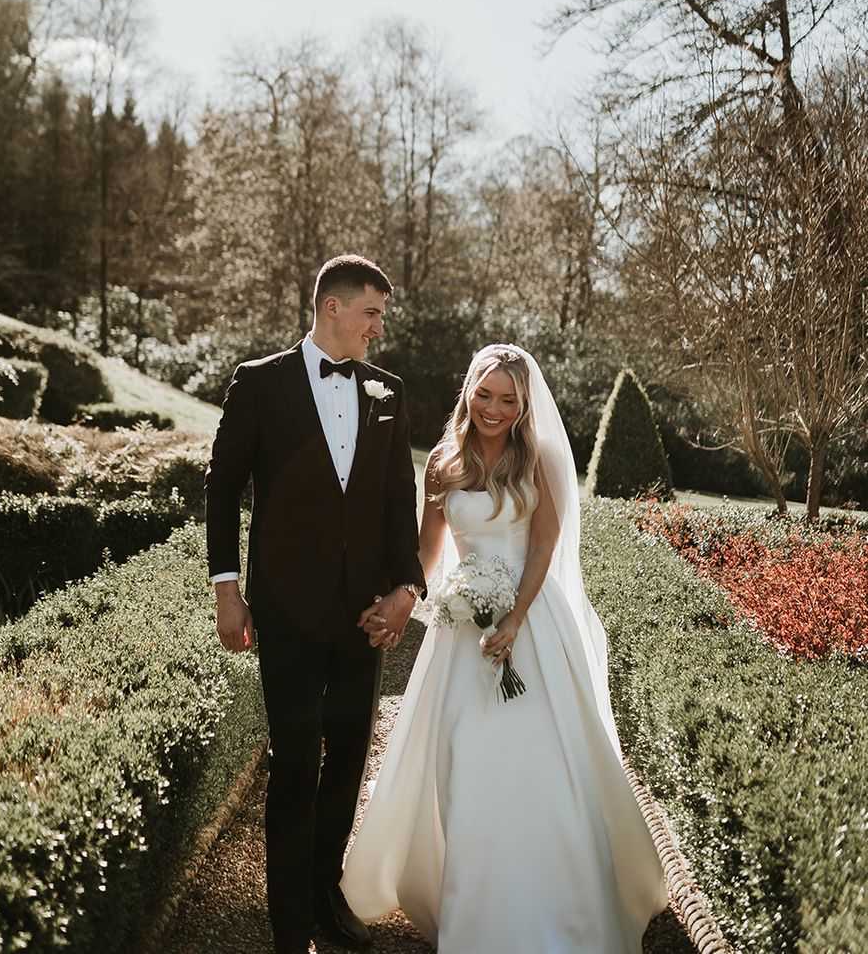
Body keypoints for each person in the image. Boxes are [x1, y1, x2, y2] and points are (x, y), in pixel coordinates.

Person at [340, 343, 668, 953]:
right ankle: (473, 908)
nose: (494, 408)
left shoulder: (538, 456)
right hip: (462, 630)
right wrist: (405, 600)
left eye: (508, 399)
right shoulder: (444, 460)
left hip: (532, 619)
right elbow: (428, 550)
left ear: (523, 404)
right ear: (469, 391)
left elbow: (545, 544)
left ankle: (555, 899)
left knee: (537, 759)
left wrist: (515, 617)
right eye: (484, 394)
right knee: (463, 758)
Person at [204, 254, 427, 954]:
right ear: (332, 306)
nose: (377, 329)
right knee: (298, 758)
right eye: (371, 314)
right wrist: (226, 592)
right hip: (287, 610)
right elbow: (221, 489)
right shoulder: (259, 383)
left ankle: (324, 893)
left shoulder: (387, 390)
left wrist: (405, 588)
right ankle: (288, 922)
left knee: (349, 757)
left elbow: (398, 503)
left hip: (362, 614)